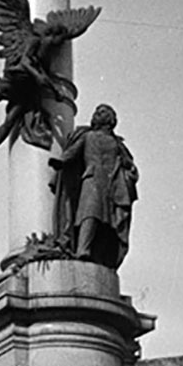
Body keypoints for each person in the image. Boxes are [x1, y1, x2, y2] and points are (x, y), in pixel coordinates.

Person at [49, 104, 139, 270]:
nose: (99, 114)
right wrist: (60, 161)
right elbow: (73, 152)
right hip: (91, 180)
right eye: (98, 112)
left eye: (103, 112)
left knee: (109, 223)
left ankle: (101, 256)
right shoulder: (87, 136)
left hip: (112, 185)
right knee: (89, 214)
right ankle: (83, 249)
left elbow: (128, 164)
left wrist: (131, 170)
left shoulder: (117, 144)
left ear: (111, 119)